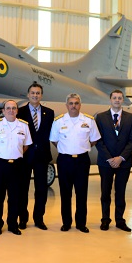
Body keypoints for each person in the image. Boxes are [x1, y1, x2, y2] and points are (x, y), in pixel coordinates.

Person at [50, 93, 101, 233]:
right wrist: (65, 149)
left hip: (82, 160)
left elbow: (94, 139)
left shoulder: (89, 121)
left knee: (81, 193)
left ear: (80, 105)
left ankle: (81, 223)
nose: (74, 106)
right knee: (65, 193)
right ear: (66, 105)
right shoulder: (59, 121)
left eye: (76, 103)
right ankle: (66, 223)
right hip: (64, 160)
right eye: (71, 103)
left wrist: (83, 147)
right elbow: (54, 140)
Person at [0, 100, 32, 235]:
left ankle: (13, 224)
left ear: (17, 110)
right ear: (3, 111)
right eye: (8, 108)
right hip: (0, 165)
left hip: (17, 166)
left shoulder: (23, 126)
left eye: (14, 108)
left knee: (14, 197)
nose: (11, 110)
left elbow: (26, 145)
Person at [95, 90, 132, 232]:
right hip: (105, 162)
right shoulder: (100, 117)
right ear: (110, 99)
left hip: (124, 162)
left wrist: (120, 158)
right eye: (115, 98)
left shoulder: (131, 118)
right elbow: (98, 140)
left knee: (121, 192)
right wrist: (110, 158)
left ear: (122, 100)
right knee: (105, 192)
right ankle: (105, 219)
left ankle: (120, 220)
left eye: (120, 98)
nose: (117, 100)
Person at [16, 82, 54, 230]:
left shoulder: (49, 113)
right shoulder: (20, 112)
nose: (35, 95)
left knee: (41, 190)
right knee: (22, 189)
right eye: (33, 93)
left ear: (41, 95)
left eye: (38, 93)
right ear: (28, 95)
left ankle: (39, 219)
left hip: (42, 157)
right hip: (25, 156)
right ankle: (23, 219)